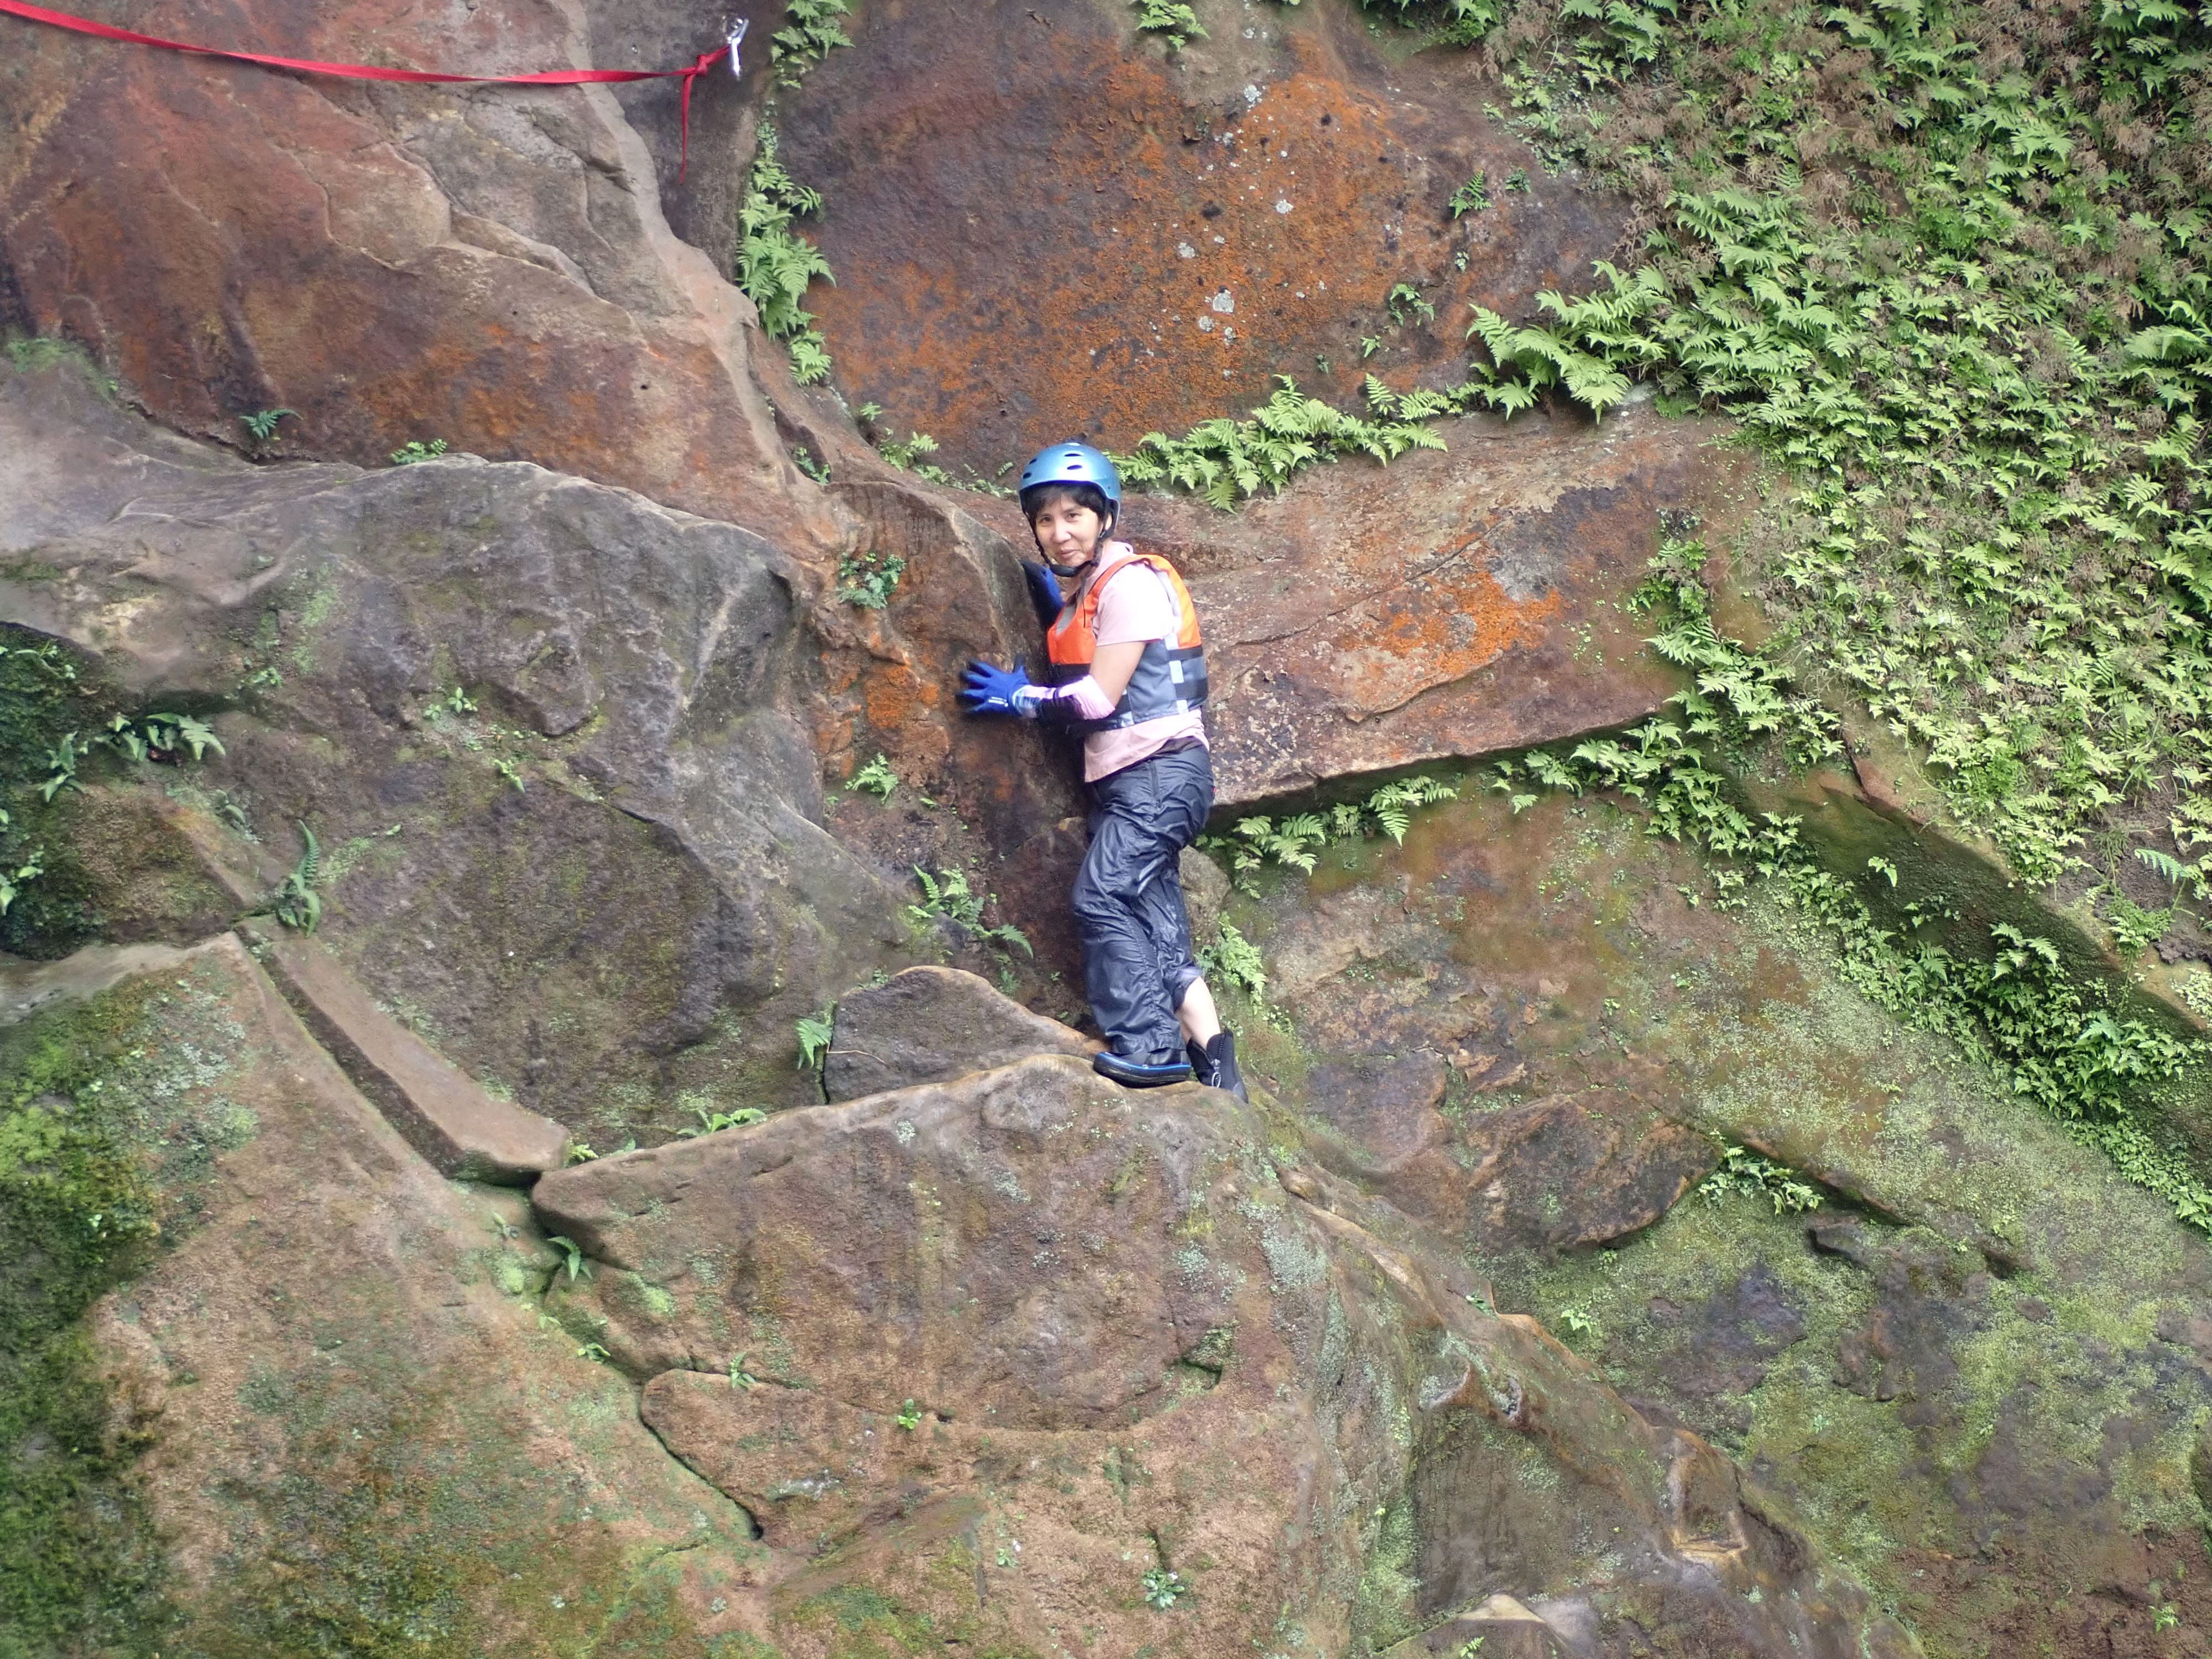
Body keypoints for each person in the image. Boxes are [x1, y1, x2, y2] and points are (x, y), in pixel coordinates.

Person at [960, 442, 1246, 1100]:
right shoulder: (1091, 589)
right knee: (1162, 935)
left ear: (1105, 517)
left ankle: (1149, 1047)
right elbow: (1082, 638)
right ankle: (1219, 1077)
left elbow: (1096, 699)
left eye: (1074, 517)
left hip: (1161, 776)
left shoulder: (1133, 586)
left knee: (1101, 896)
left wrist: (1019, 697)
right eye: (1045, 521)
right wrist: (1059, 603)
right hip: (1132, 785)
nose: (1059, 533)